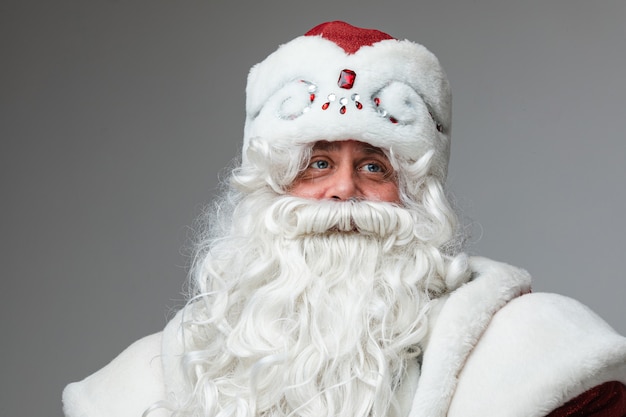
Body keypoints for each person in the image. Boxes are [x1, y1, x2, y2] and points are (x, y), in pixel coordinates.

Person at [62, 21, 626, 417]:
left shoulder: (534, 355)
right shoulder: (143, 384)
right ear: (269, 184)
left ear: (414, 195)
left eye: (374, 166)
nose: (342, 191)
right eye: (318, 162)